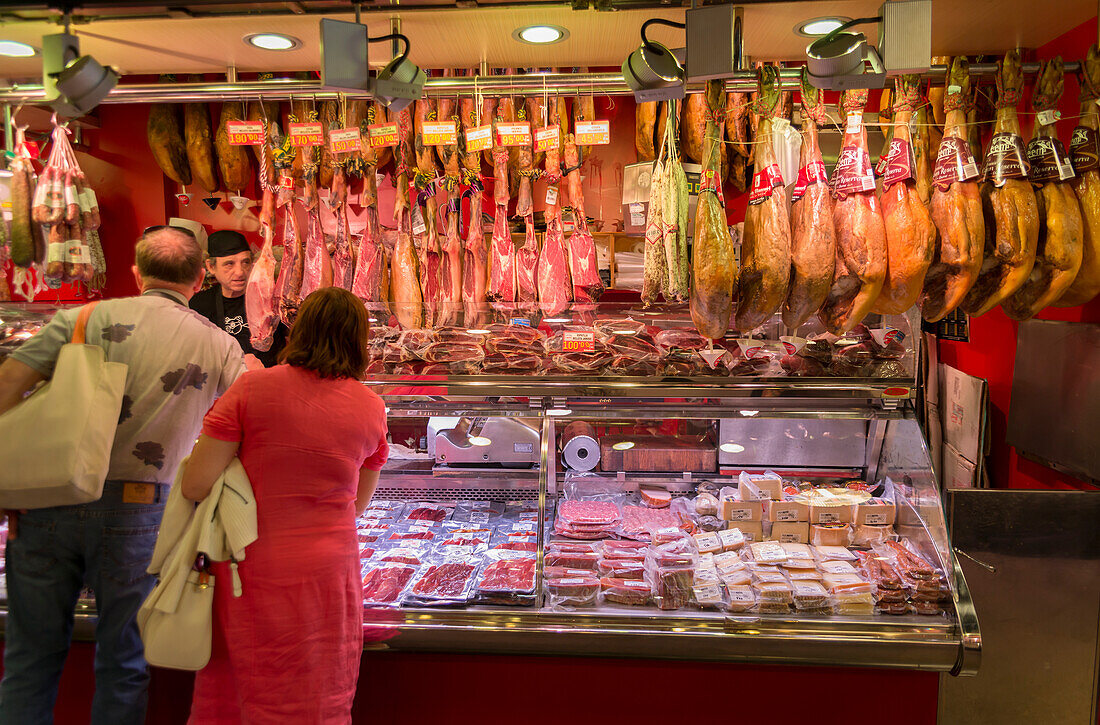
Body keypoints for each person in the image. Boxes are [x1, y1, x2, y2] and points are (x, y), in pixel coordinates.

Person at [0, 226, 247, 725]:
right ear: (201, 277)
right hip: (141, 512)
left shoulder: (80, 318)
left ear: (136, 273)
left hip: (46, 502)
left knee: (30, 660)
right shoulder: (219, 344)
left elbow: (8, 384)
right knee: (125, 663)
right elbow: (254, 414)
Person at [182, 286, 389, 724]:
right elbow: (357, 507)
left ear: (297, 331)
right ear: (359, 340)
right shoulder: (371, 406)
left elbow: (196, 484)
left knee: (245, 681)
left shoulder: (251, 388)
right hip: (328, 573)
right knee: (317, 685)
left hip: (250, 562)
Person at [189, 229, 286, 368]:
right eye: (229, 264)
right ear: (211, 266)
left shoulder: (271, 299)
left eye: (245, 262)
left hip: (269, 381)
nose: (240, 272)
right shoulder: (199, 305)